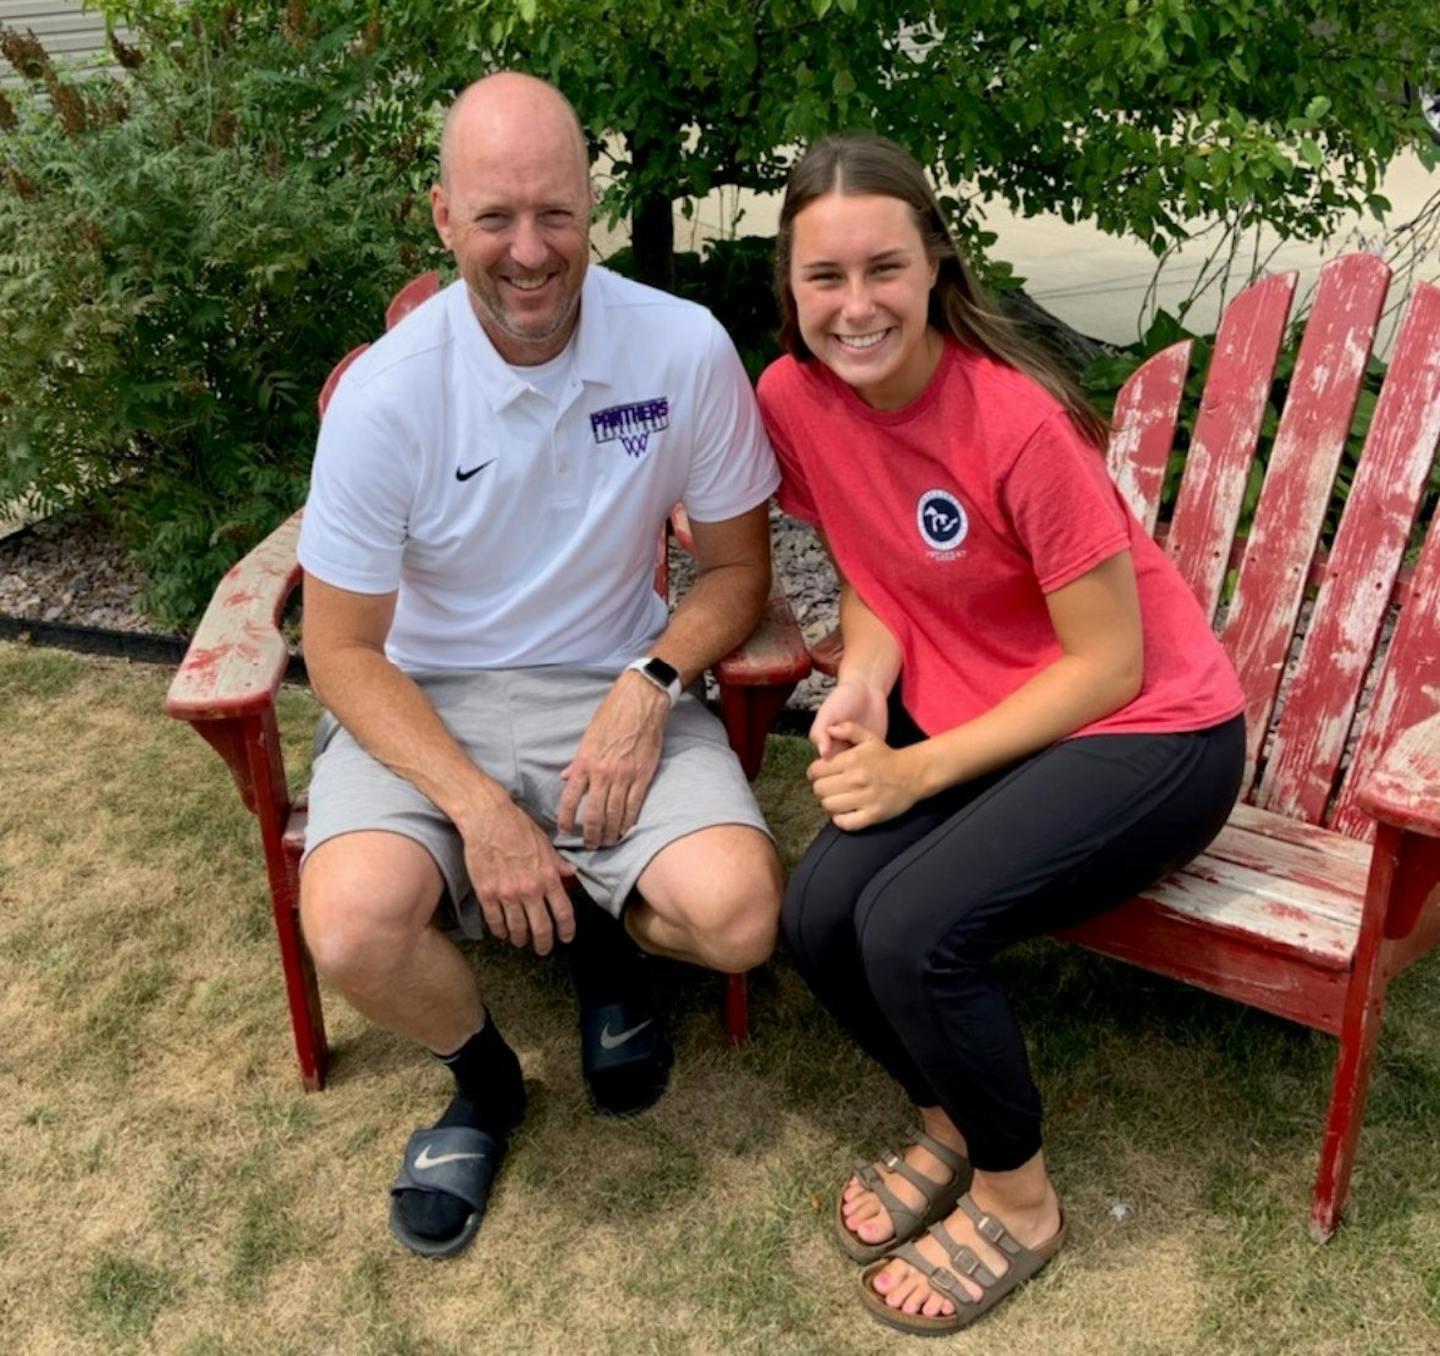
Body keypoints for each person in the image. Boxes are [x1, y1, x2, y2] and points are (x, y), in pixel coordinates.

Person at [756, 134, 1247, 1335]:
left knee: (915, 930)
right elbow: (875, 569)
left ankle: (1018, 1200)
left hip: (1152, 731)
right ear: (791, 286)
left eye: (884, 269)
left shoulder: (1015, 426)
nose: (856, 305)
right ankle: (948, 1114)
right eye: (826, 278)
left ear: (934, 265)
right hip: (986, 710)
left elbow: (1110, 663)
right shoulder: (793, 400)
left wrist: (920, 762)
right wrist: (867, 680)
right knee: (819, 918)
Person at [295, 71, 783, 1260]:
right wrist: (477, 810)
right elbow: (339, 649)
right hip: (423, 700)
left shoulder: (683, 348)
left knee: (741, 919)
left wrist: (650, 684)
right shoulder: (386, 398)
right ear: (442, 217)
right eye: (496, 216)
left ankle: (601, 937)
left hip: (608, 682)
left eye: (555, 213)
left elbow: (735, 575)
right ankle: (484, 1081)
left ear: (593, 206)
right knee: (354, 928)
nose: (529, 251)